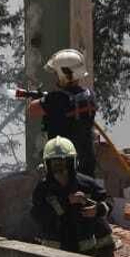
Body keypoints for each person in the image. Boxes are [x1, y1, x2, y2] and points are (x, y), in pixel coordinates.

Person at [27, 48, 99, 176]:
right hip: (86, 163)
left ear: (63, 74)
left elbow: (32, 110)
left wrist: (42, 99)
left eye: (56, 73)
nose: (55, 76)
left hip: (63, 166)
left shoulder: (56, 99)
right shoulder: (90, 95)